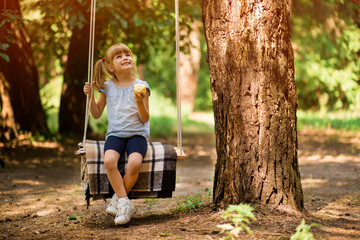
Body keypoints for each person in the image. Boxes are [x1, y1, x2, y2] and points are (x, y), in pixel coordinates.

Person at [83, 43, 150, 225]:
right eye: (119, 56)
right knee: (109, 161)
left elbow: (144, 119)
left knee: (134, 163)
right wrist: (90, 97)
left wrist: (139, 102)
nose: (125, 57)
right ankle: (125, 203)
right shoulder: (107, 87)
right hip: (115, 134)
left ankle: (119, 200)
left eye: (127, 54)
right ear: (110, 67)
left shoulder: (142, 86)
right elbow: (96, 114)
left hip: (137, 133)